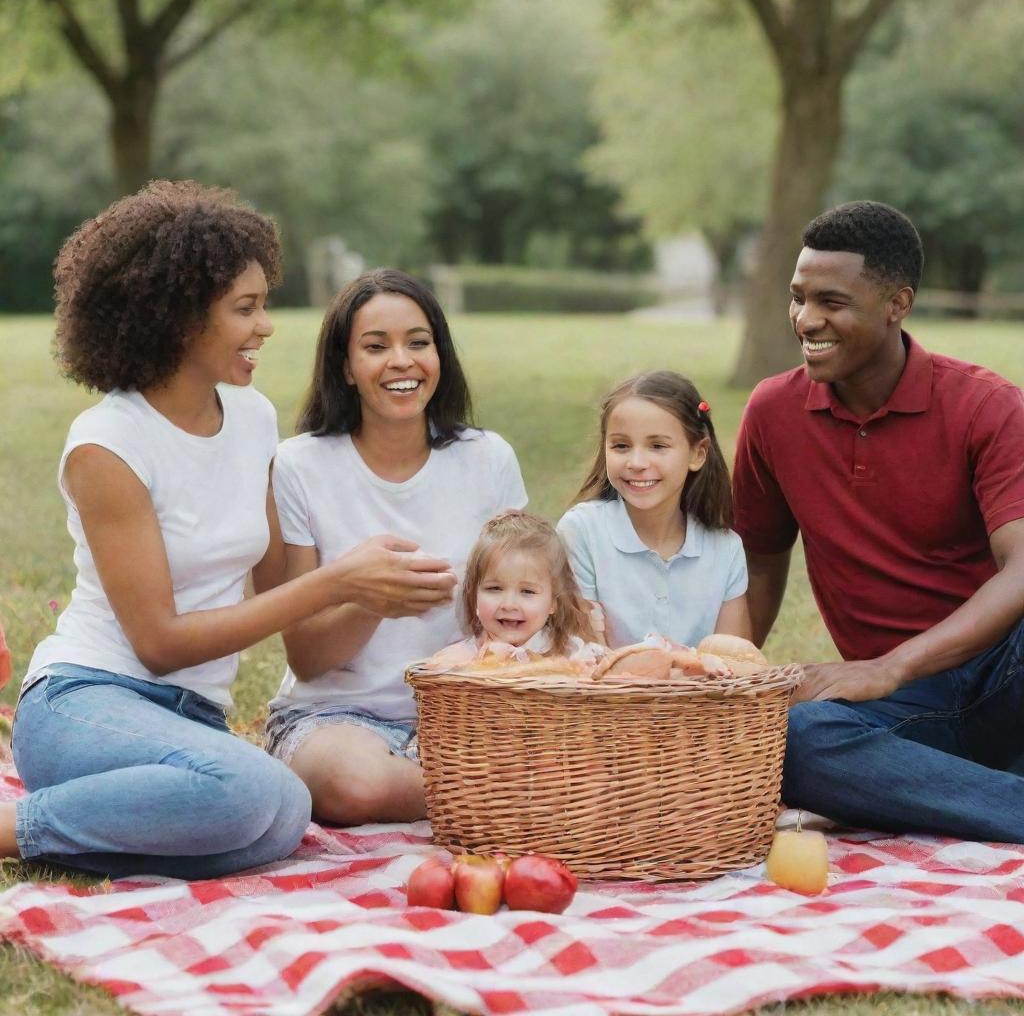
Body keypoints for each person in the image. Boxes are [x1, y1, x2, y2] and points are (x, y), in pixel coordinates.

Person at [0, 182, 455, 879]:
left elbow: (280, 591)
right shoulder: (108, 445)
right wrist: (337, 580)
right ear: (181, 319)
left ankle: (112, 819)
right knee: (255, 793)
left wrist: (370, 593)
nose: (266, 325)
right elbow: (158, 644)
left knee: (273, 825)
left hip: (190, 720)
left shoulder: (252, 419)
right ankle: (19, 826)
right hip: (89, 702)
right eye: (245, 308)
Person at [732, 200, 1024, 842]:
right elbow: (756, 560)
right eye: (798, 297)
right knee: (796, 739)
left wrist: (892, 664)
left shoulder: (986, 406)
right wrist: (726, 683)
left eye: (831, 302)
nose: (807, 320)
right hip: (901, 712)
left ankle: (944, 789)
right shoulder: (773, 413)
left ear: (897, 303)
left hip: (1004, 672)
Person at [264, 269, 527, 826]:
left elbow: (526, 602)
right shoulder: (300, 465)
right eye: (375, 346)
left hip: (463, 716)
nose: (401, 361)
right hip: (336, 720)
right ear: (346, 366)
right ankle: (505, 795)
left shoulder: (489, 458)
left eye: (418, 342)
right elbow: (306, 659)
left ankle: (479, 786)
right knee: (352, 785)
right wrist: (371, 599)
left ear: (440, 354)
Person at [557, 370, 751, 650]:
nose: (637, 462)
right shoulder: (582, 531)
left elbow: (734, 662)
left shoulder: (726, 549)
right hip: (605, 693)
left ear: (698, 453)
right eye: (621, 446)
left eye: (658, 446)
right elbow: (586, 656)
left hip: (701, 695)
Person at [422, 510, 604, 671]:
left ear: (553, 602)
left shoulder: (572, 654)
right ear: (475, 596)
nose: (509, 605)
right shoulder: (461, 660)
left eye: (527, 592)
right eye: (494, 588)